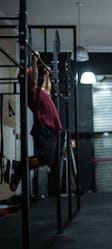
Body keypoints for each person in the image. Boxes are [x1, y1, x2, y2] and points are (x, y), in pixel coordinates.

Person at [6, 51, 62, 192]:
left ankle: (18, 166)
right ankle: (18, 169)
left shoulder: (40, 93)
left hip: (51, 127)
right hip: (44, 125)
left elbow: (47, 89)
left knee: (45, 158)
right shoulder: (30, 91)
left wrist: (47, 75)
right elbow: (34, 78)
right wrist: (34, 60)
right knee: (45, 159)